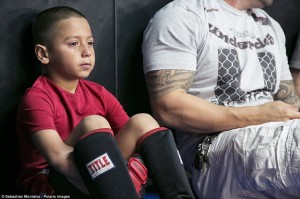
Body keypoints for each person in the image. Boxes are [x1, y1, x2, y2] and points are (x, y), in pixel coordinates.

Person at [16, 6, 195, 199]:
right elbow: (58, 157)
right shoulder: (37, 98)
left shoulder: (98, 93)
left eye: (90, 43)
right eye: (74, 43)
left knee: (142, 121)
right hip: (53, 185)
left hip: (102, 176)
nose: (86, 51)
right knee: (94, 123)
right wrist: (113, 181)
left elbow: (135, 142)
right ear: (43, 54)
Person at [142, 0, 300, 198]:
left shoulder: (270, 25)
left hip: (278, 134)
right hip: (213, 149)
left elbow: (290, 103)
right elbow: (168, 106)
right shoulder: (183, 15)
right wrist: (260, 114)